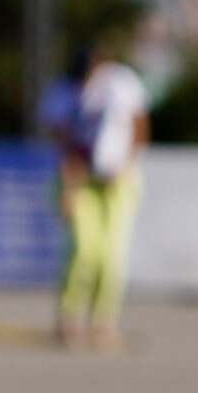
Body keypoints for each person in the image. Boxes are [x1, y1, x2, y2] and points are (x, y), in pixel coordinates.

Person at [41, 41, 148, 352]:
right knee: (82, 250)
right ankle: (69, 318)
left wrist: (128, 163)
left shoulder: (121, 83)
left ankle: (104, 321)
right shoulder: (64, 92)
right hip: (80, 177)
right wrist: (69, 187)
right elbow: (64, 142)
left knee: (112, 255)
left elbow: (139, 124)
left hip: (118, 179)